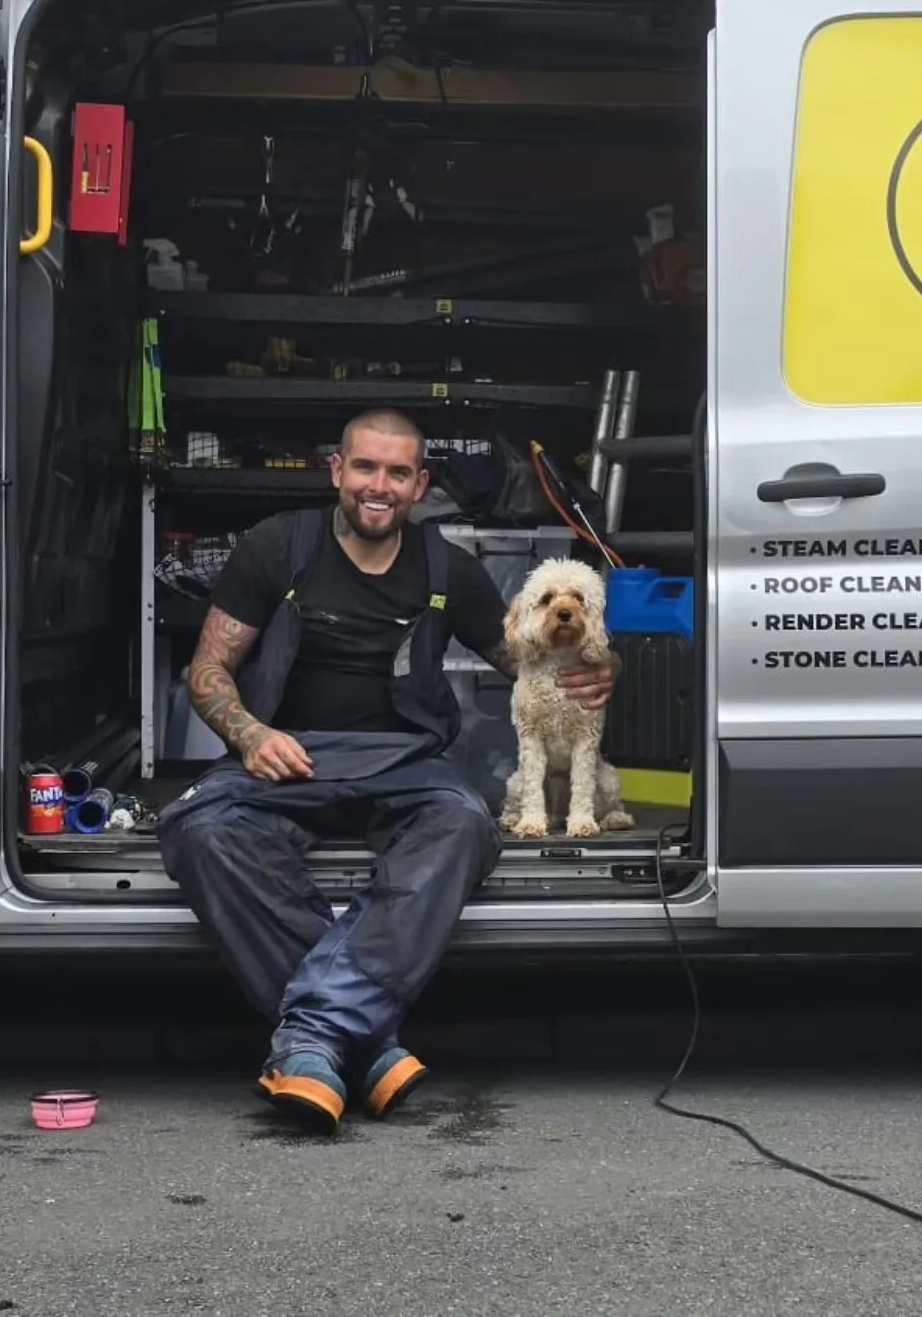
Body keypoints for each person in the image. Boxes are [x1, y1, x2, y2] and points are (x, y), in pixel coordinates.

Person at [156, 409, 618, 1134]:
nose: (381, 486)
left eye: (398, 473)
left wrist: (591, 664)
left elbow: (523, 659)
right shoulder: (277, 547)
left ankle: (315, 1038)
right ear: (337, 471)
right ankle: (361, 1039)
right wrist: (251, 736)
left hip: (404, 763)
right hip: (287, 756)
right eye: (366, 468)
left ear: (419, 485)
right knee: (198, 828)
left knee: (465, 823)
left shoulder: (447, 569)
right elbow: (210, 669)